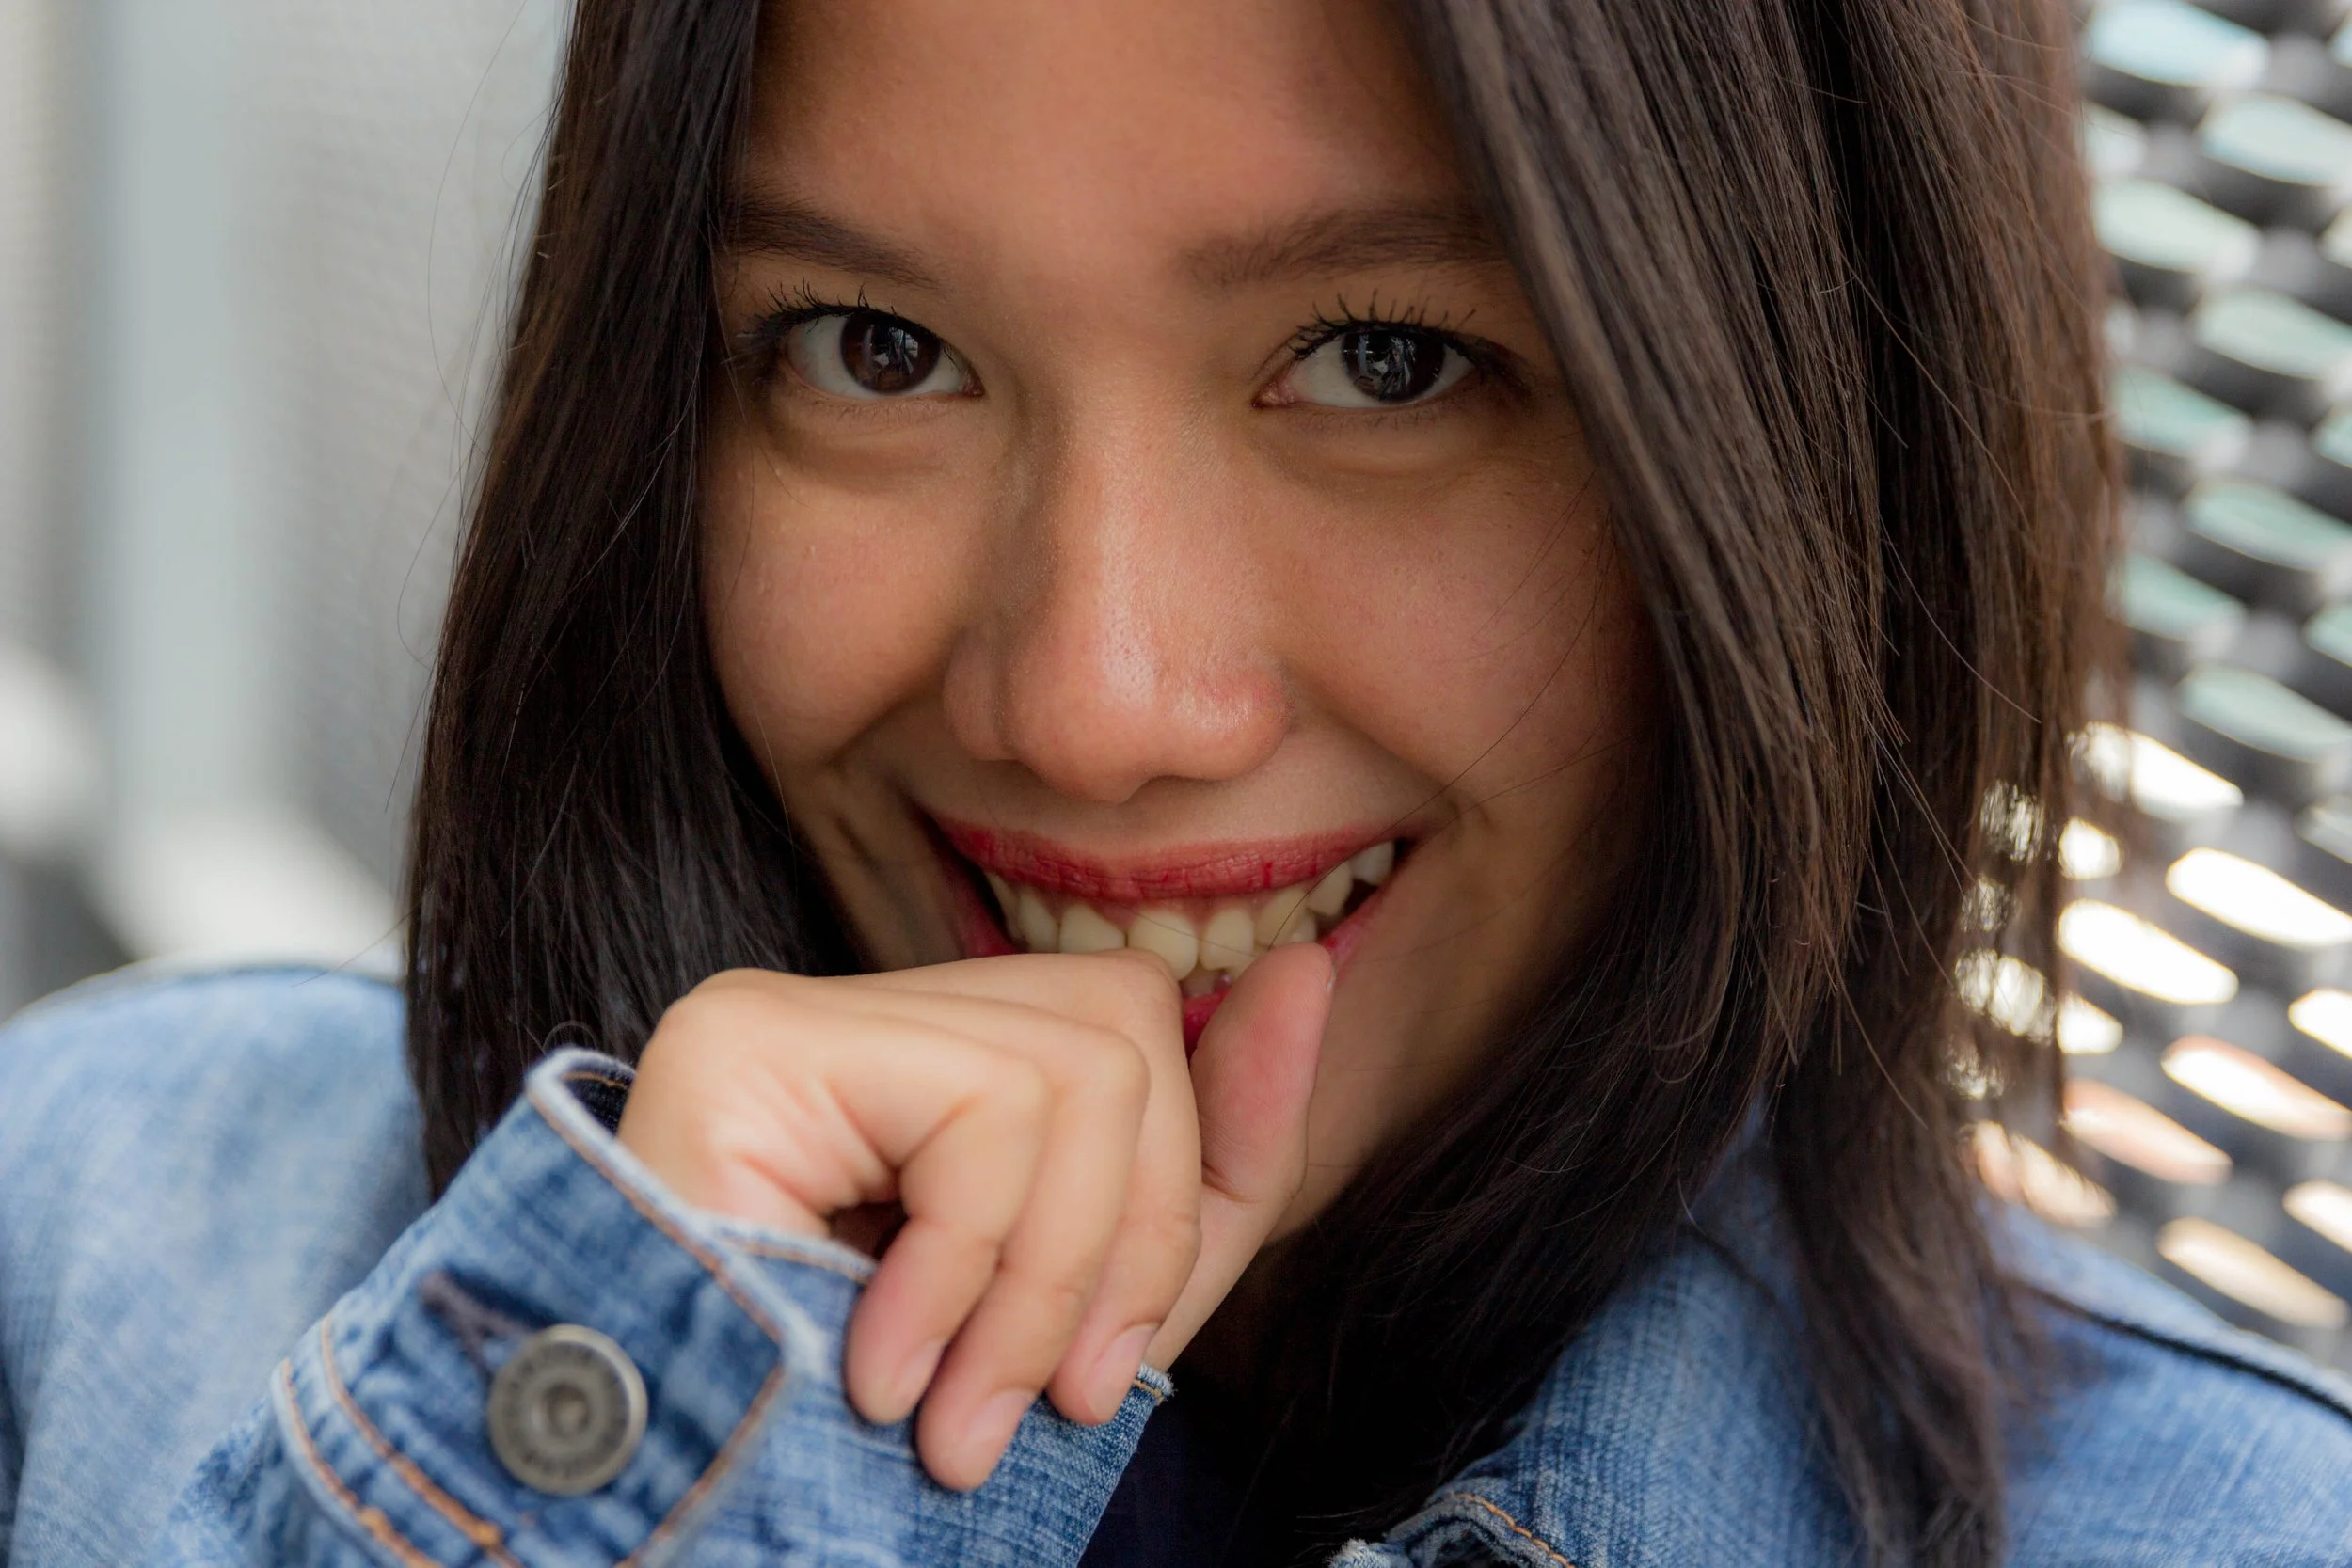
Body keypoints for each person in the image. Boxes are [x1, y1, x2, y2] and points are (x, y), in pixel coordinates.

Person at [7, 0, 2351, 1563]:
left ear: (1815, 440)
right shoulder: (102, 1218)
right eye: (875, 349)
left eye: (1382, 357)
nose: (1094, 697)